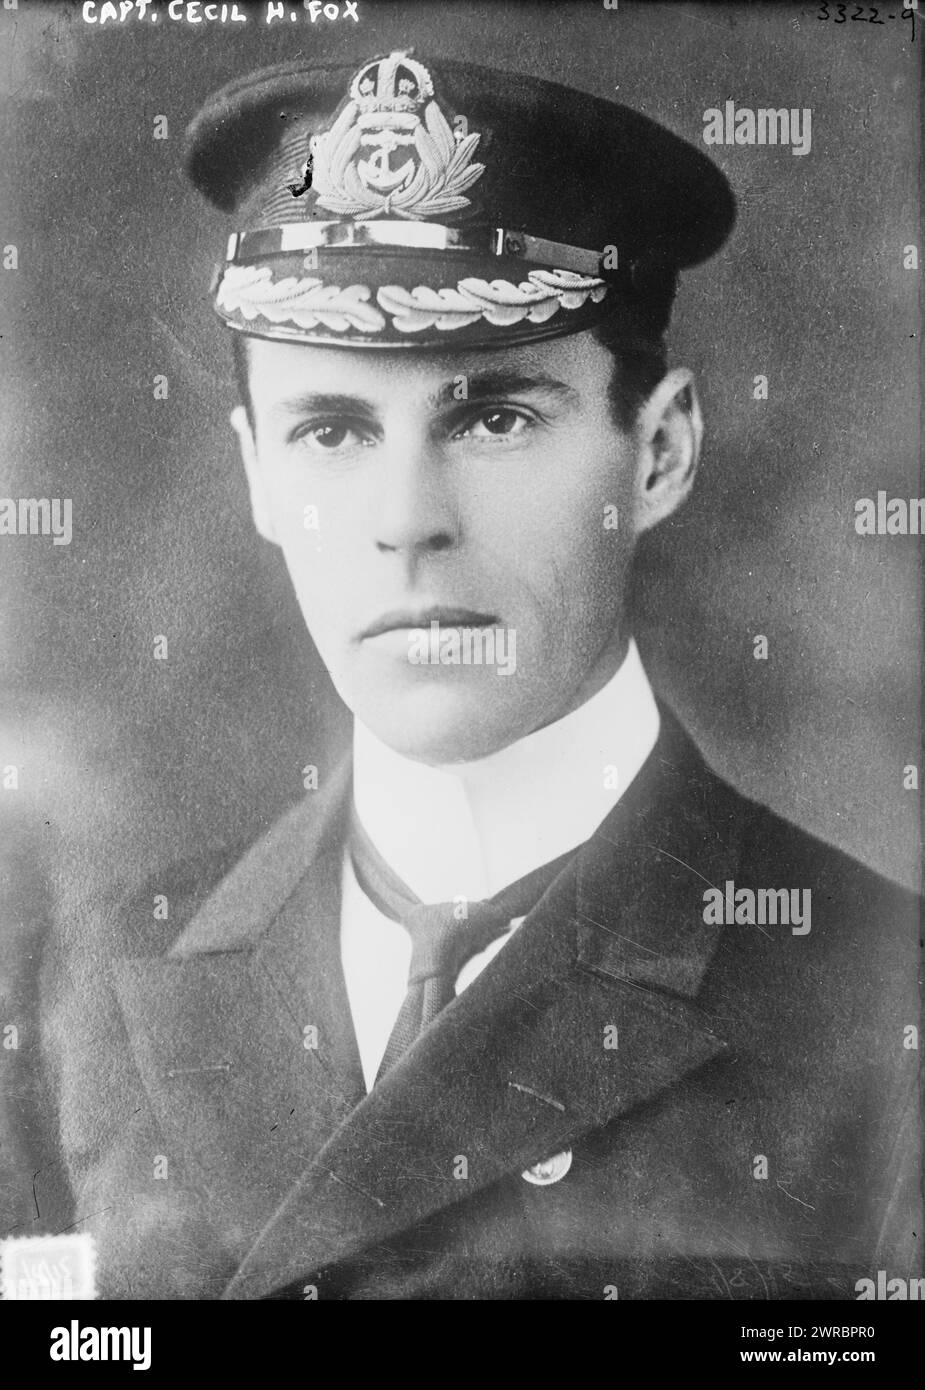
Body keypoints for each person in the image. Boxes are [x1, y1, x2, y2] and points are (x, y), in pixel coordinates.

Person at [32, 49, 920, 1300]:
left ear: (656, 451)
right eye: (331, 431)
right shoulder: (92, 986)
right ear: (255, 477)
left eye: (493, 418)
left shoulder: (878, 1006)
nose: (407, 520)